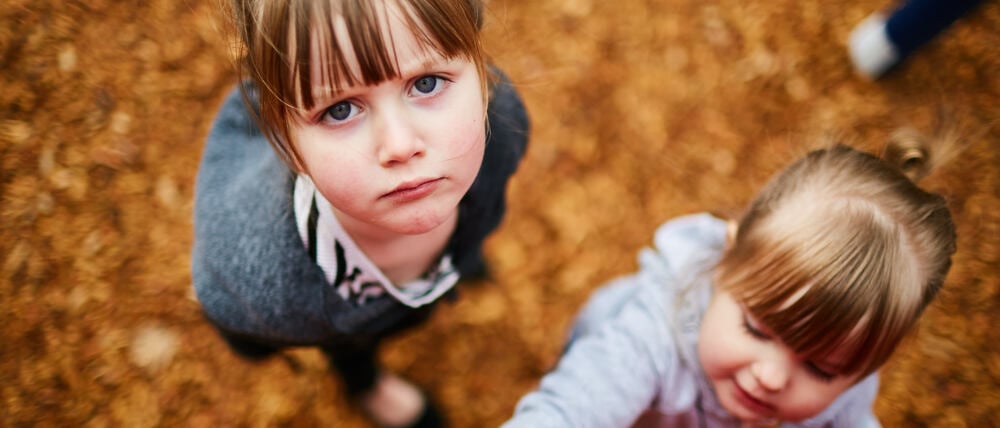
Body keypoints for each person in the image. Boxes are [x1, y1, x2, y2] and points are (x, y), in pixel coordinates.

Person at [191, 1, 529, 427]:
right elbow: (235, 321)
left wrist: (464, 252)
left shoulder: (503, 129)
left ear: (481, 77)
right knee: (349, 343)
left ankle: (457, 264)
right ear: (287, 144)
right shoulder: (266, 281)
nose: (400, 145)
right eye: (340, 109)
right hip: (342, 324)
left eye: (426, 83)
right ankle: (365, 384)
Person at [502, 136, 956, 427]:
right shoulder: (652, 334)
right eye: (757, 330)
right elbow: (568, 411)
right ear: (727, 259)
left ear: (868, 366)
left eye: (820, 369)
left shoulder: (849, 381)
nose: (771, 377)